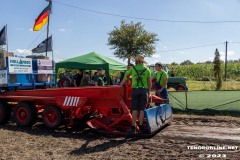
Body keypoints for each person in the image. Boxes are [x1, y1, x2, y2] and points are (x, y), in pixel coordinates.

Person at [120, 54, 151, 134]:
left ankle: (133, 128)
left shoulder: (132, 69)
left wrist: (120, 85)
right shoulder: (147, 69)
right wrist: (149, 92)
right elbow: (149, 82)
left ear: (136, 61)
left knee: (134, 109)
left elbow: (125, 77)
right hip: (143, 90)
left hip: (135, 90)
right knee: (142, 110)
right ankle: (140, 128)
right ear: (142, 61)